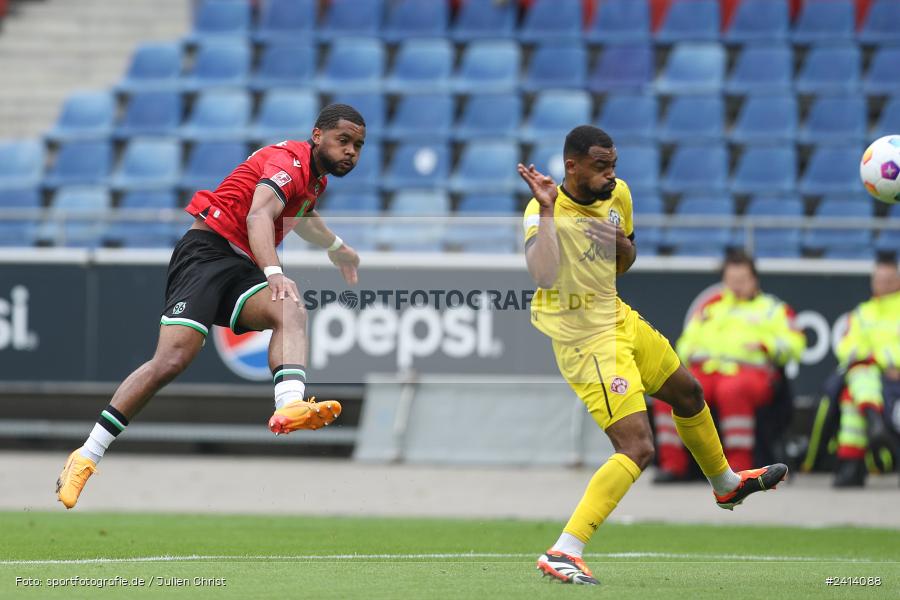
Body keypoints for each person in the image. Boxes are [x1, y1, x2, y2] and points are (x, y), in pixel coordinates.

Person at [56, 104, 366, 509]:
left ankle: (289, 405)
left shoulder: (312, 182)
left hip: (240, 266)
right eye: (343, 141)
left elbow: (304, 218)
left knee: (288, 309)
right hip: (206, 252)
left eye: (358, 145)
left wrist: (338, 249)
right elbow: (259, 217)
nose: (351, 152)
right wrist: (273, 272)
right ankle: (86, 456)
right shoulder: (288, 162)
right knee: (171, 361)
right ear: (316, 135)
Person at [518, 125, 787, 586]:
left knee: (689, 393)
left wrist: (618, 243)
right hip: (583, 336)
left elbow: (626, 259)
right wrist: (545, 210)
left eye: (613, 165)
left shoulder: (619, 193)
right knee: (637, 446)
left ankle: (726, 485)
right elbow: (542, 274)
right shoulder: (544, 209)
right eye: (600, 166)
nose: (610, 174)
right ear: (572, 166)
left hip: (615, 315)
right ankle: (565, 549)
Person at [652, 250, 805, 479]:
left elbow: (796, 343)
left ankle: (737, 470)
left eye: (741, 281)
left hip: (752, 375)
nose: (736, 286)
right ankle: (673, 465)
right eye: (731, 281)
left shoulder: (773, 309)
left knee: (731, 390)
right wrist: (690, 351)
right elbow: (685, 342)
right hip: (706, 371)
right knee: (669, 392)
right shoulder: (711, 308)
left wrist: (766, 345)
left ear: (755, 280)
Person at [832, 254, 900, 487]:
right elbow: (846, 348)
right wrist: (878, 361)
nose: (882, 285)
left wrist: (880, 359)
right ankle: (855, 459)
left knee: (854, 391)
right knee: (857, 381)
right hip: (875, 376)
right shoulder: (862, 313)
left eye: (888, 279)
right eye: (878, 279)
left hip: (895, 376)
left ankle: (854, 460)